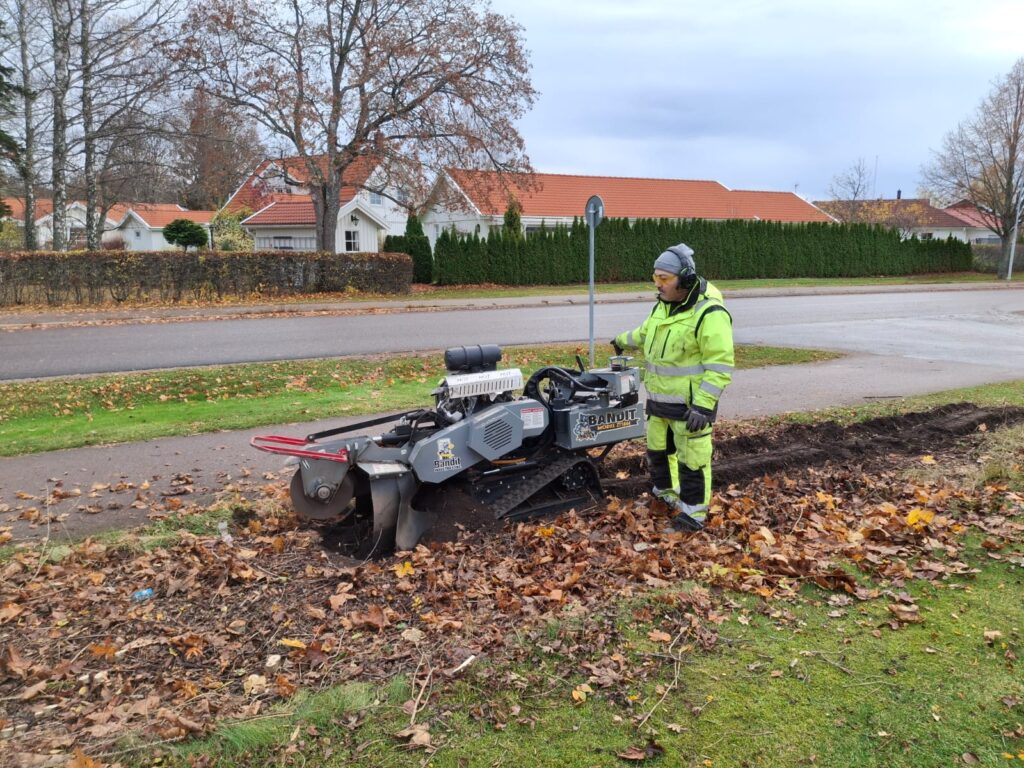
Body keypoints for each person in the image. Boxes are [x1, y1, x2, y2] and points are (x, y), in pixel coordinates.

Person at [613, 243, 734, 531]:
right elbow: (644, 334)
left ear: (686, 279)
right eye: (655, 277)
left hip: (690, 408)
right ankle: (665, 497)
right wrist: (620, 339)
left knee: (692, 462)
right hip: (658, 402)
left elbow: (720, 364)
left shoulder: (709, 312)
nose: (658, 284)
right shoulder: (662, 306)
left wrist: (704, 405)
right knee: (658, 453)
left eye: (664, 279)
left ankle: (693, 516)